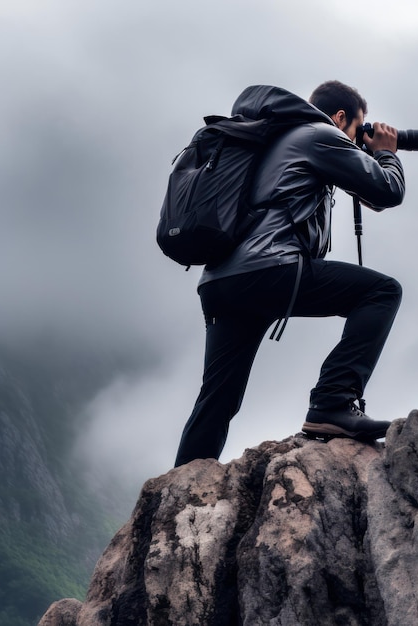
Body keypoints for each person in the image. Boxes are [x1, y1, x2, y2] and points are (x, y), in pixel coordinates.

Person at [174, 80, 405, 466]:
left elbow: (369, 196)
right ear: (341, 117)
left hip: (222, 280)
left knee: (217, 399)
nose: (358, 138)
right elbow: (386, 191)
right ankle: (332, 402)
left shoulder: (275, 139)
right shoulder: (320, 135)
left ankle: (183, 484)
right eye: (358, 128)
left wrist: (364, 153)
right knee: (381, 292)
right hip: (269, 269)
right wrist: (384, 153)